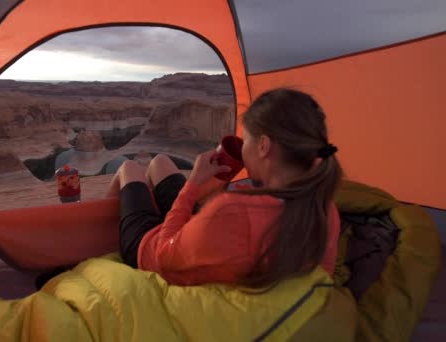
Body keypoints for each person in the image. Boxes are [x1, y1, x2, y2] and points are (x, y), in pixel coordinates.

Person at [107, 88, 343, 287]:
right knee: (160, 162)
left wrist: (193, 185)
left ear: (263, 146)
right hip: (197, 241)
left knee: (129, 168)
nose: (243, 148)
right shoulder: (324, 208)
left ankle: (106, 243)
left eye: (246, 139)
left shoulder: (233, 210)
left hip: (150, 251)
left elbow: (163, 255)